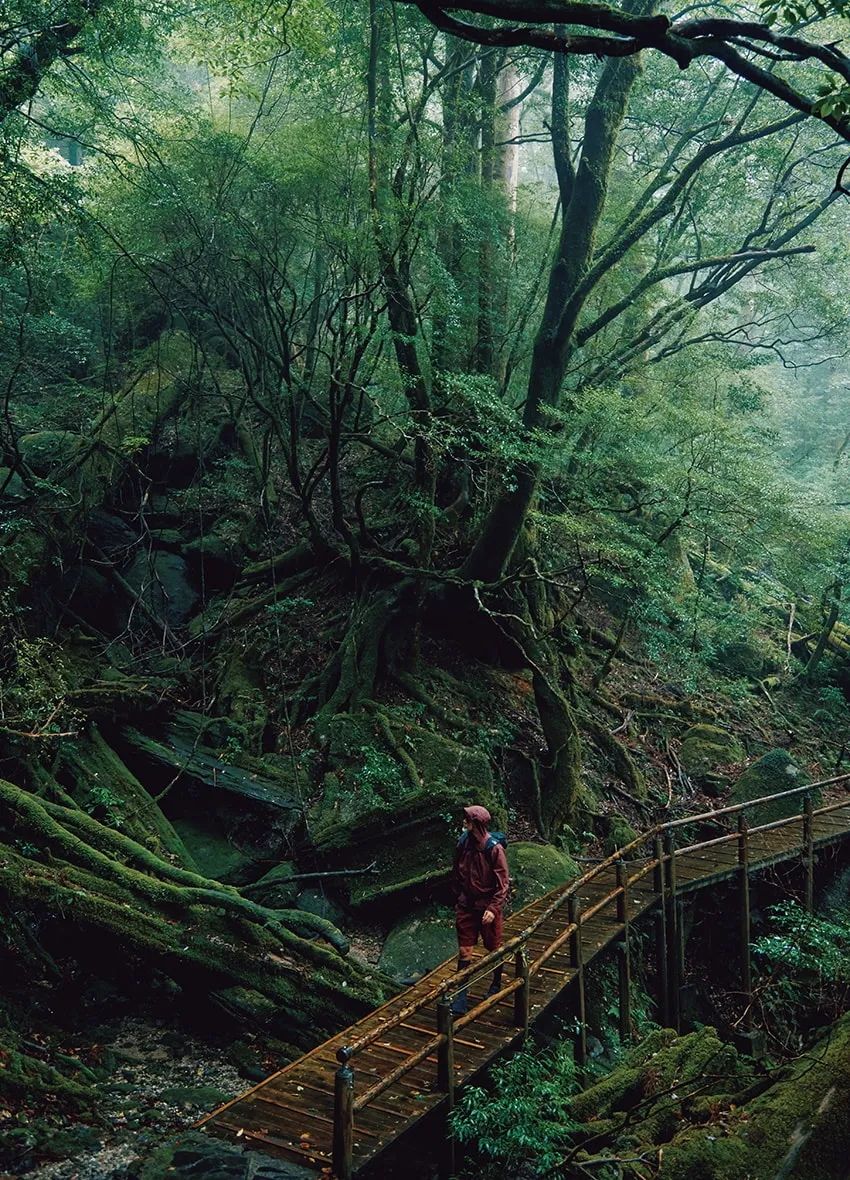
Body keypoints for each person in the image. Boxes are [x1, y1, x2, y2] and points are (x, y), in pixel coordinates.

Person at [450, 804, 509, 1015]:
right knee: (465, 950)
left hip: (487, 905)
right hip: (467, 904)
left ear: (476, 823)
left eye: (467, 819)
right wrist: (458, 895)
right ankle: (461, 996)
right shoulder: (463, 843)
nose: (464, 822)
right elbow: (456, 870)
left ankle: (495, 983)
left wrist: (493, 908)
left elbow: (503, 883)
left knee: (493, 947)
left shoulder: (494, 849)